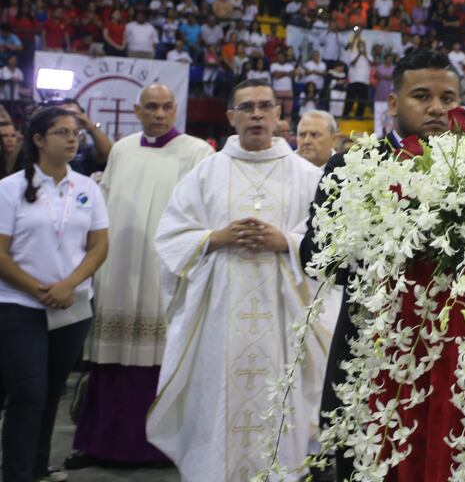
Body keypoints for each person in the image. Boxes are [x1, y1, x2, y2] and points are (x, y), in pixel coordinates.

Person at [146, 80, 328, 481]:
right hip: (218, 321)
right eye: (247, 108)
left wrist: (287, 242)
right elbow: (171, 235)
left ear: (280, 115)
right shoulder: (206, 173)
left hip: (285, 322)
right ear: (231, 117)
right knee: (218, 410)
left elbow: (331, 245)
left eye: (266, 106)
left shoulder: (308, 176)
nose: (257, 114)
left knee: (281, 408)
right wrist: (215, 237)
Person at [300, 47, 461, 482]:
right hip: (368, 343)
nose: (436, 108)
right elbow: (314, 259)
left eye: (447, 98)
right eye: (422, 96)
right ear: (393, 103)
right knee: (362, 459)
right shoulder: (350, 167)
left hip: (451, 350)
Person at [66, 84, 214, 468]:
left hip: (165, 269)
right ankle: (99, 442)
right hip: (119, 266)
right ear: (137, 110)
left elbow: (202, 213)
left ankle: (161, 448)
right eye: (151, 107)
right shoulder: (122, 150)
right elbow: (105, 206)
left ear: (176, 108)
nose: (159, 114)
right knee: (110, 357)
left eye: (166, 107)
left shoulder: (197, 152)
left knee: (158, 360)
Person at [0, 106, 110, 482]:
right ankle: (16, 474)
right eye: (62, 132)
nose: (72, 139)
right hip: (19, 304)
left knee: (50, 395)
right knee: (28, 394)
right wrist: (38, 289)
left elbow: (98, 247)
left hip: (72, 304)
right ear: (38, 140)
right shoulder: (10, 189)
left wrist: (69, 285)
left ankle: (38, 468)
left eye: (75, 133)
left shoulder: (87, 188)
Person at [59, 99, 113, 177]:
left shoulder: (84, 150)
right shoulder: (47, 146)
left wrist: (90, 126)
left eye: (73, 114)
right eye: (63, 114)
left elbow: (106, 152)